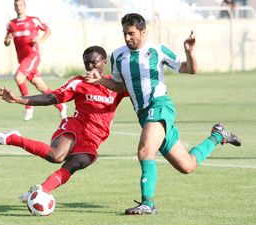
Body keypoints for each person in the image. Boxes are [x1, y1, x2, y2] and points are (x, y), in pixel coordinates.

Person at [85, 13, 241, 215]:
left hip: (159, 106)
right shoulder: (118, 55)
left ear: (143, 31)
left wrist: (189, 52)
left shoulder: (157, 51)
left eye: (131, 33)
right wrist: (100, 81)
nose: (127, 38)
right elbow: (120, 85)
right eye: (124, 33)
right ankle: (218, 135)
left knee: (144, 151)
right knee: (187, 165)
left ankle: (147, 203)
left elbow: (190, 69)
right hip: (144, 114)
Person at [0, 46, 128, 204]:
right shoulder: (78, 82)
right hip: (76, 127)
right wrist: (19, 99)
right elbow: (50, 99)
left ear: (104, 62)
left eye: (93, 62)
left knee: (79, 162)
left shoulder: (116, 86)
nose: (90, 67)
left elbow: (139, 91)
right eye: (86, 63)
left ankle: (41, 191)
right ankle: (13, 138)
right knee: (56, 156)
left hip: (94, 138)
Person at [4, 0, 67, 121]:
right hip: (22, 60)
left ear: (25, 6)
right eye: (16, 5)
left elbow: (48, 30)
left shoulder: (33, 20)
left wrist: (41, 40)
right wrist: (7, 40)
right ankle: (61, 105)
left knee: (18, 77)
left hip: (33, 56)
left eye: (21, 5)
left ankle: (28, 107)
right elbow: (7, 40)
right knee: (41, 86)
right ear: (14, 7)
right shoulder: (11, 24)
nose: (19, 7)